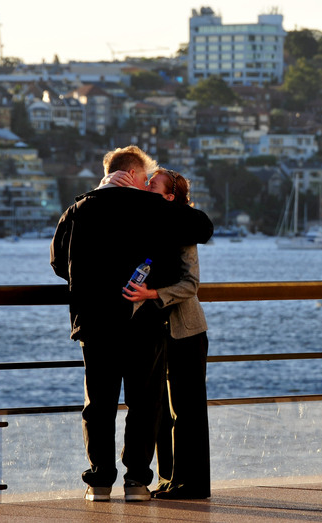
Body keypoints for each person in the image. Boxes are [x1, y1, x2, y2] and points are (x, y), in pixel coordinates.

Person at [50, 146, 213, 503]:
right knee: (144, 404)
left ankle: (99, 482)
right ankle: (137, 482)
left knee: (98, 405)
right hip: (142, 323)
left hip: (94, 324)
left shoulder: (77, 210)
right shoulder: (152, 207)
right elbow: (202, 226)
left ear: (108, 174)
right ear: (136, 176)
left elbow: (59, 262)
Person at [123, 169, 211, 499]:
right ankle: (168, 478)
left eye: (152, 184)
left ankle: (192, 484)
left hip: (185, 330)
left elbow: (191, 284)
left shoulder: (183, 228)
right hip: (152, 332)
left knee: (187, 412)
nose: (146, 186)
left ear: (169, 197)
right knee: (159, 409)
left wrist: (153, 294)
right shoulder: (145, 227)